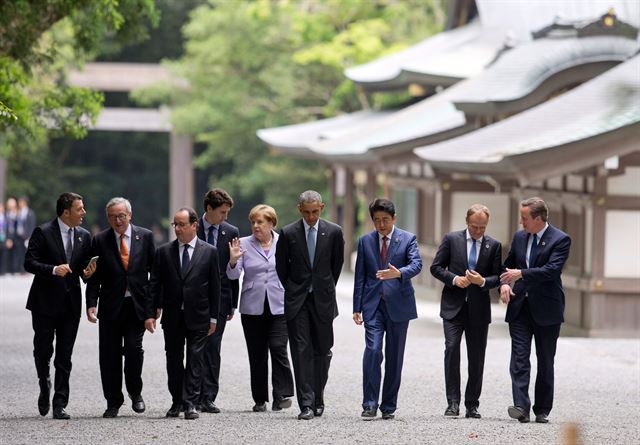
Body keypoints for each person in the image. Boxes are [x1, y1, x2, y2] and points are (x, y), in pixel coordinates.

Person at [24, 192, 96, 419]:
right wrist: (53, 270)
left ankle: (60, 403)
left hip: (70, 304)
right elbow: (29, 262)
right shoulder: (43, 232)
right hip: (44, 302)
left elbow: (84, 270)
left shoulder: (84, 236)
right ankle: (44, 384)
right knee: (43, 350)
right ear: (66, 212)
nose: (83, 212)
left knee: (65, 355)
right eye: (79, 209)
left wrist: (87, 273)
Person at [500, 197, 571, 424]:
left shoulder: (560, 240)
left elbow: (551, 270)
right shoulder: (520, 237)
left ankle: (542, 409)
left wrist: (521, 274)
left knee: (545, 359)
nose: (521, 222)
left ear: (538, 219)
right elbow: (507, 265)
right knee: (519, 358)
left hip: (547, 308)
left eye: (524, 218)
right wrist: (503, 283)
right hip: (520, 306)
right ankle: (521, 406)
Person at [145, 207, 220, 420]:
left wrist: (214, 317)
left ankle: (191, 404)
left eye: (182, 224)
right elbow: (154, 285)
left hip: (199, 315)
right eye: (175, 225)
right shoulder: (164, 252)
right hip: (173, 316)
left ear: (194, 225)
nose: (177, 229)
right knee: (174, 360)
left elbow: (215, 287)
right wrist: (150, 313)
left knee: (196, 360)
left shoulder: (209, 251)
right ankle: (176, 400)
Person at [275, 190, 344, 420]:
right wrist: (296, 288)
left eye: (315, 212)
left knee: (322, 350)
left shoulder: (334, 232)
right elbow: (281, 268)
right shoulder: (288, 233)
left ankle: (318, 396)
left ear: (322, 208)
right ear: (299, 209)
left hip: (323, 299)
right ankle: (306, 403)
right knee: (300, 349)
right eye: (306, 213)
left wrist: (323, 287)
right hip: (298, 300)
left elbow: (336, 265)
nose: (311, 217)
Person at [430, 204, 502, 419]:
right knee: (451, 350)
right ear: (466, 222)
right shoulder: (452, 239)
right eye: (474, 226)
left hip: (479, 310)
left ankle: (472, 404)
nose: (478, 231)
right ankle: (453, 402)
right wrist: (454, 279)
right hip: (453, 307)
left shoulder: (494, 245)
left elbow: (498, 277)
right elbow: (436, 267)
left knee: (476, 357)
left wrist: (482, 282)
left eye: (482, 227)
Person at [352, 198, 422, 421]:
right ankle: (369, 403)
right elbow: (360, 276)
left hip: (399, 305)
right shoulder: (365, 241)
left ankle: (389, 405)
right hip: (373, 305)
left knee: (394, 356)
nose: (381, 225)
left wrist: (399, 272)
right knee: (372, 351)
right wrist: (357, 307)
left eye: (385, 220)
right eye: (376, 220)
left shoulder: (407, 239)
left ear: (394, 218)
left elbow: (417, 264)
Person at [86, 197, 155, 418]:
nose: (118, 220)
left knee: (134, 350)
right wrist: (90, 304)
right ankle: (113, 400)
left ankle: (136, 393)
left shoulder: (145, 236)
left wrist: (154, 305)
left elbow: (155, 274)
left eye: (122, 216)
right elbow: (93, 275)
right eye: (113, 216)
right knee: (109, 355)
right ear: (108, 218)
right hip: (110, 305)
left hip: (136, 305)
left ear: (130, 215)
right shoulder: (100, 240)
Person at [227, 204, 294, 412]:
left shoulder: (285, 242)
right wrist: (232, 261)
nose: (256, 226)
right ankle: (259, 399)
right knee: (257, 354)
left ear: (271, 223)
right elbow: (233, 276)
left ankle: (281, 394)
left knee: (278, 348)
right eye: (253, 222)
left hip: (279, 305)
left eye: (260, 222)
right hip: (252, 307)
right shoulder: (243, 243)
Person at [195, 188, 239, 413]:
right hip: (195, 298)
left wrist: (233, 301)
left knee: (213, 347)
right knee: (195, 346)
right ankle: (193, 394)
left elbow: (234, 267)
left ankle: (209, 396)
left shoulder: (231, 231)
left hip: (221, 298)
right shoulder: (192, 227)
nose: (225, 217)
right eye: (222, 212)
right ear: (209, 209)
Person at [16, 196, 37, 273]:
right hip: (19, 236)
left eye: (20, 202)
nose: (19, 204)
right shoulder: (19, 212)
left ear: (24, 203)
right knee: (19, 253)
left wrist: (30, 236)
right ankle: (20, 269)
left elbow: (32, 224)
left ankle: (26, 270)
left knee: (27, 253)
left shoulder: (30, 213)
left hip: (27, 236)